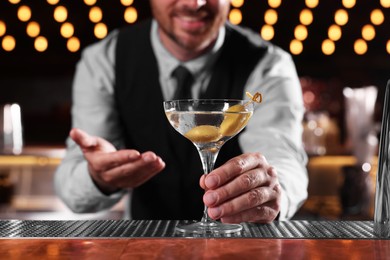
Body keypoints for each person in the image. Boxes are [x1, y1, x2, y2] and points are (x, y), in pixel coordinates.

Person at [55, 0, 308, 223]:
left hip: (238, 247)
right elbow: (71, 191)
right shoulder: (103, 60)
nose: (195, 3)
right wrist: (98, 177)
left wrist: (272, 193)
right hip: (145, 248)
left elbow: (283, 160)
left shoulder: (268, 64)